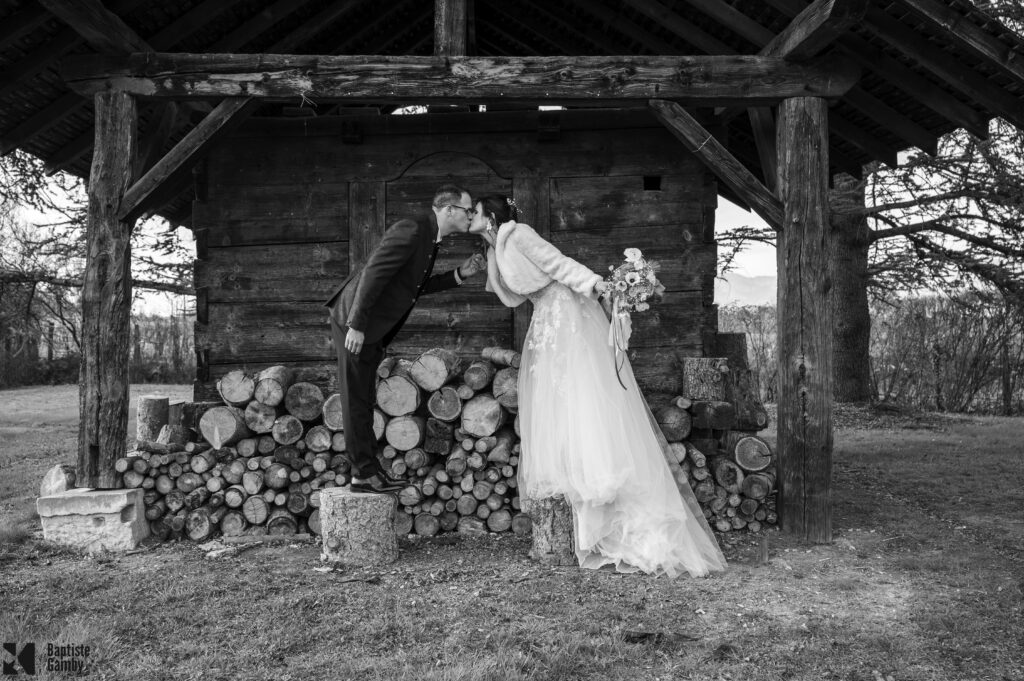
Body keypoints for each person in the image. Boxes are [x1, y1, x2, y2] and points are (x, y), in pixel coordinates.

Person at [469, 195, 726, 578]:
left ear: (489, 215)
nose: (470, 217)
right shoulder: (496, 246)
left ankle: (600, 485)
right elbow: (512, 297)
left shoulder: (518, 234)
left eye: (473, 211)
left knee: (579, 392)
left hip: (566, 311)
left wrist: (598, 286)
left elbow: (557, 263)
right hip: (544, 317)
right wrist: (488, 261)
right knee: (557, 397)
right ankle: (572, 481)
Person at [326, 185, 486, 494]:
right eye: (468, 210)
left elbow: (412, 287)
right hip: (354, 322)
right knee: (355, 398)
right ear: (450, 209)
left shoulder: (430, 237)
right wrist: (356, 324)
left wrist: (460, 274)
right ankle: (362, 475)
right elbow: (373, 273)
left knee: (365, 398)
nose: (470, 216)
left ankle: (370, 470)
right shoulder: (413, 229)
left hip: (371, 326)